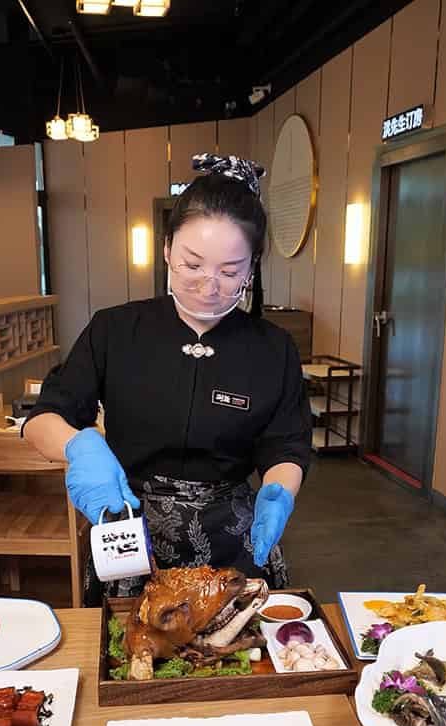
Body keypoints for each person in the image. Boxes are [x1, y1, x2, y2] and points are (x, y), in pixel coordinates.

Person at [23, 153, 312, 605]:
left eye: (230, 272)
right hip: (132, 532)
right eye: (192, 264)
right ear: (166, 250)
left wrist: (279, 490)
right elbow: (45, 417)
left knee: (235, 659)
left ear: (252, 268)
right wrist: (77, 445)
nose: (208, 285)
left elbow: (288, 444)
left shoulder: (273, 347)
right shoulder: (115, 330)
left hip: (234, 541)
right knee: (133, 652)